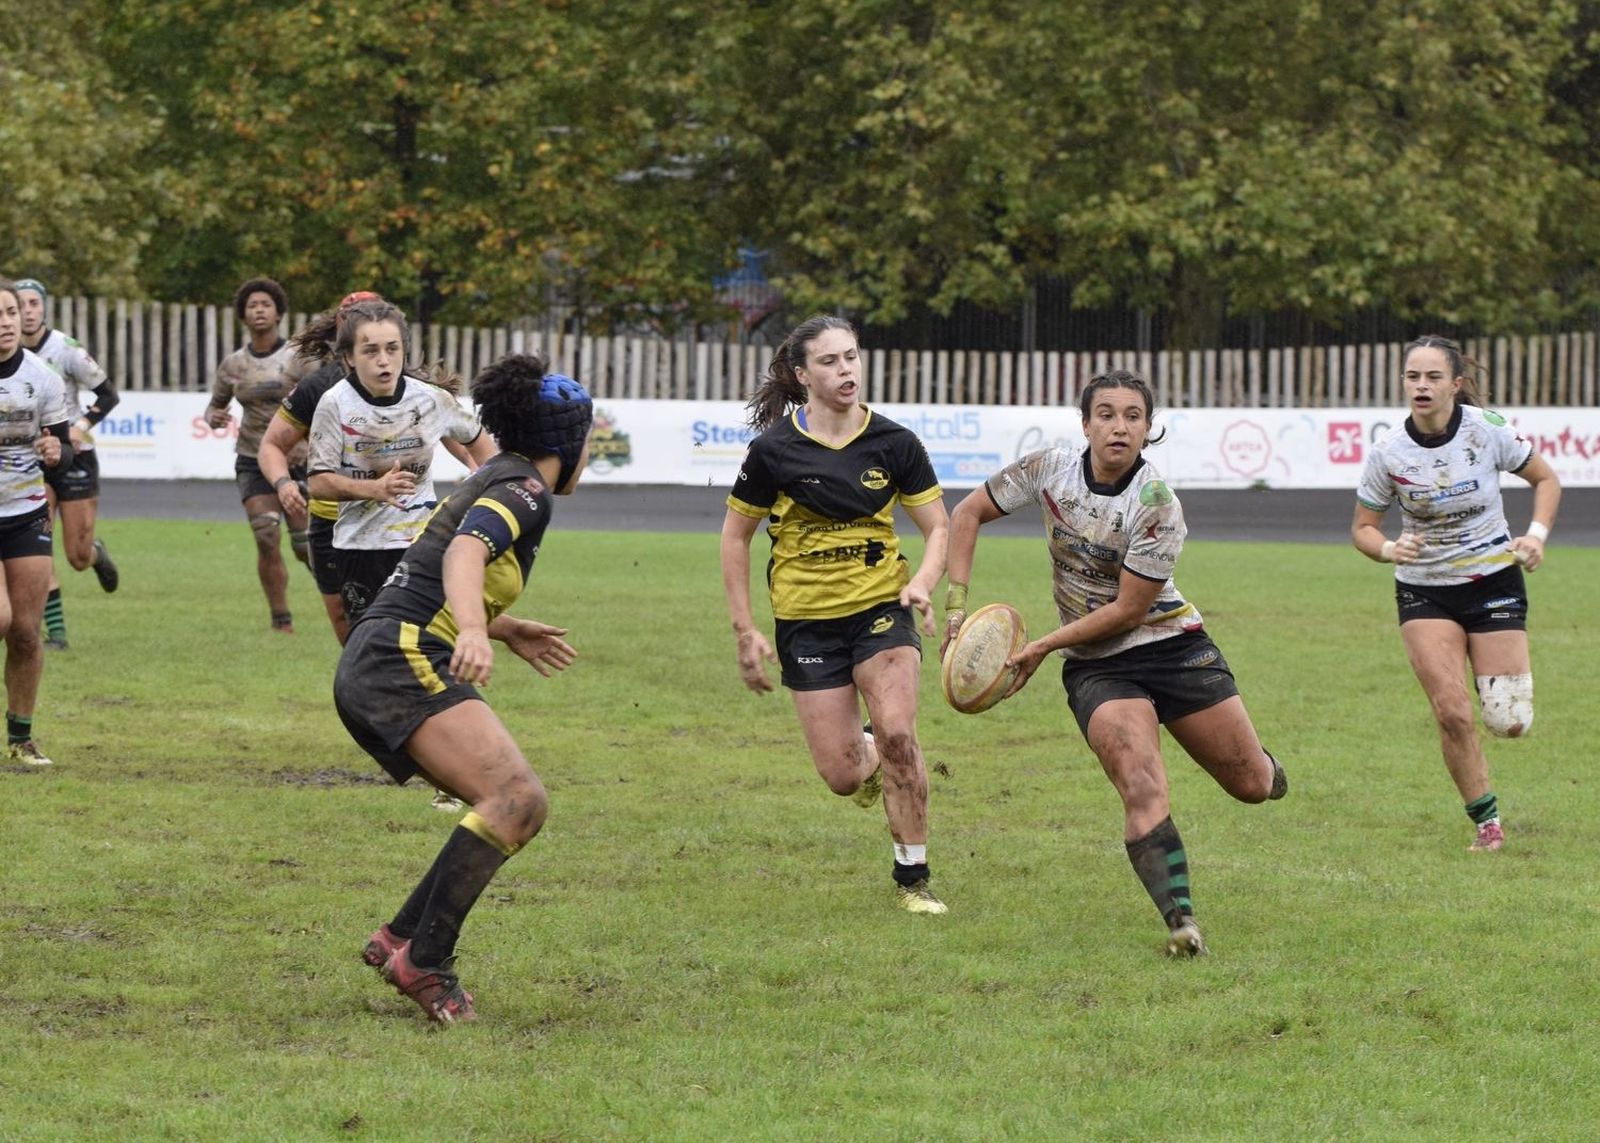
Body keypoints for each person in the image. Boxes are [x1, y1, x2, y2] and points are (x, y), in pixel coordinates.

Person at [945, 369, 1286, 957]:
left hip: (1172, 646)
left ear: (1148, 430)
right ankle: (1182, 923)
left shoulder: (1157, 506)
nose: (1119, 426)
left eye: (1133, 416)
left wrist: (1043, 645)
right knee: (1141, 781)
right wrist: (957, 609)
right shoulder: (1048, 470)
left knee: (1251, 785)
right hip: (1097, 666)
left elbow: (1130, 611)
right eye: (1106, 414)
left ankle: (1266, 765)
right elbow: (965, 514)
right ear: (1086, 424)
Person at [333, 353, 592, 1024]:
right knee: (518, 799)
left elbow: (425, 571)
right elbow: (460, 554)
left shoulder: (499, 475)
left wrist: (501, 628)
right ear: (571, 441)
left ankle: (400, 938)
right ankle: (425, 959)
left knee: (504, 798)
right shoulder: (525, 490)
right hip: (400, 657)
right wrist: (474, 630)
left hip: (382, 652)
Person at [719, 314, 951, 915]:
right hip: (806, 622)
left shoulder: (895, 443)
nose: (846, 370)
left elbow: (937, 526)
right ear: (802, 375)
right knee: (844, 775)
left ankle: (914, 880)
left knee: (900, 733)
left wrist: (923, 581)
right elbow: (735, 538)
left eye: (851, 357)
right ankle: (866, 752)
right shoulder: (774, 451)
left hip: (883, 607)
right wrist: (745, 629)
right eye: (829, 361)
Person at [1352, 335, 1561, 853]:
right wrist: (1388, 550)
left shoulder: (1486, 432)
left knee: (1509, 722)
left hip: (1494, 581)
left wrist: (1534, 537)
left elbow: (1547, 479)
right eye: (1412, 377)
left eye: (1433, 377)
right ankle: (1487, 823)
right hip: (1426, 592)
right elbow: (1363, 528)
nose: (1421, 386)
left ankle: (1498, 724)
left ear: (1456, 384)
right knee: (1452, 710)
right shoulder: (1387, 452)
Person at [306, 298, 495, 627]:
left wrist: (485, 488)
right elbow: (318, 483)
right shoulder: (335, 404)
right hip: (360, 548)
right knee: (370, 648)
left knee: (430, 638)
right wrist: (373, 489)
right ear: (349, 357)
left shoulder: (431, 398)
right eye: (371, 351)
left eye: (392, 349)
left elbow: (483, 448)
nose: (384, 361)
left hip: (422, 543)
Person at [14, 278, 120, 651]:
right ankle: (57, 634)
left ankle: (95, 554)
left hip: (75, 456)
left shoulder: (66, 349)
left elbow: (108, 395)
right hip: (29, 463)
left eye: (33, 304)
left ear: (43, 308)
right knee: (37, 544)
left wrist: (79, 427)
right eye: (19, 305)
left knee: (76, 555)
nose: (27, 311)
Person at [202, 277, 309, 633]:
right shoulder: (233, 365)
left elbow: (322, 405)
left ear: (279, 312)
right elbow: (214, 408)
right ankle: (281, 619)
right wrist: (214, 418)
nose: (259, 310)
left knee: (305, 545)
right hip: (252, 458)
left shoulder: (298, 358)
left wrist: (304, 442)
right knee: (265, 534)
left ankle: (342, 599)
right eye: (252, 306)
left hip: (298, 461)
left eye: (265, 304)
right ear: (243, 316)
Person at [0, 280, 76, 765]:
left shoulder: (43, 376)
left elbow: (64, 452)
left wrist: (55, 453)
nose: (5, 322)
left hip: (26, 514)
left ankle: (20, 740)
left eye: (9, 313)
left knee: (25, 632)